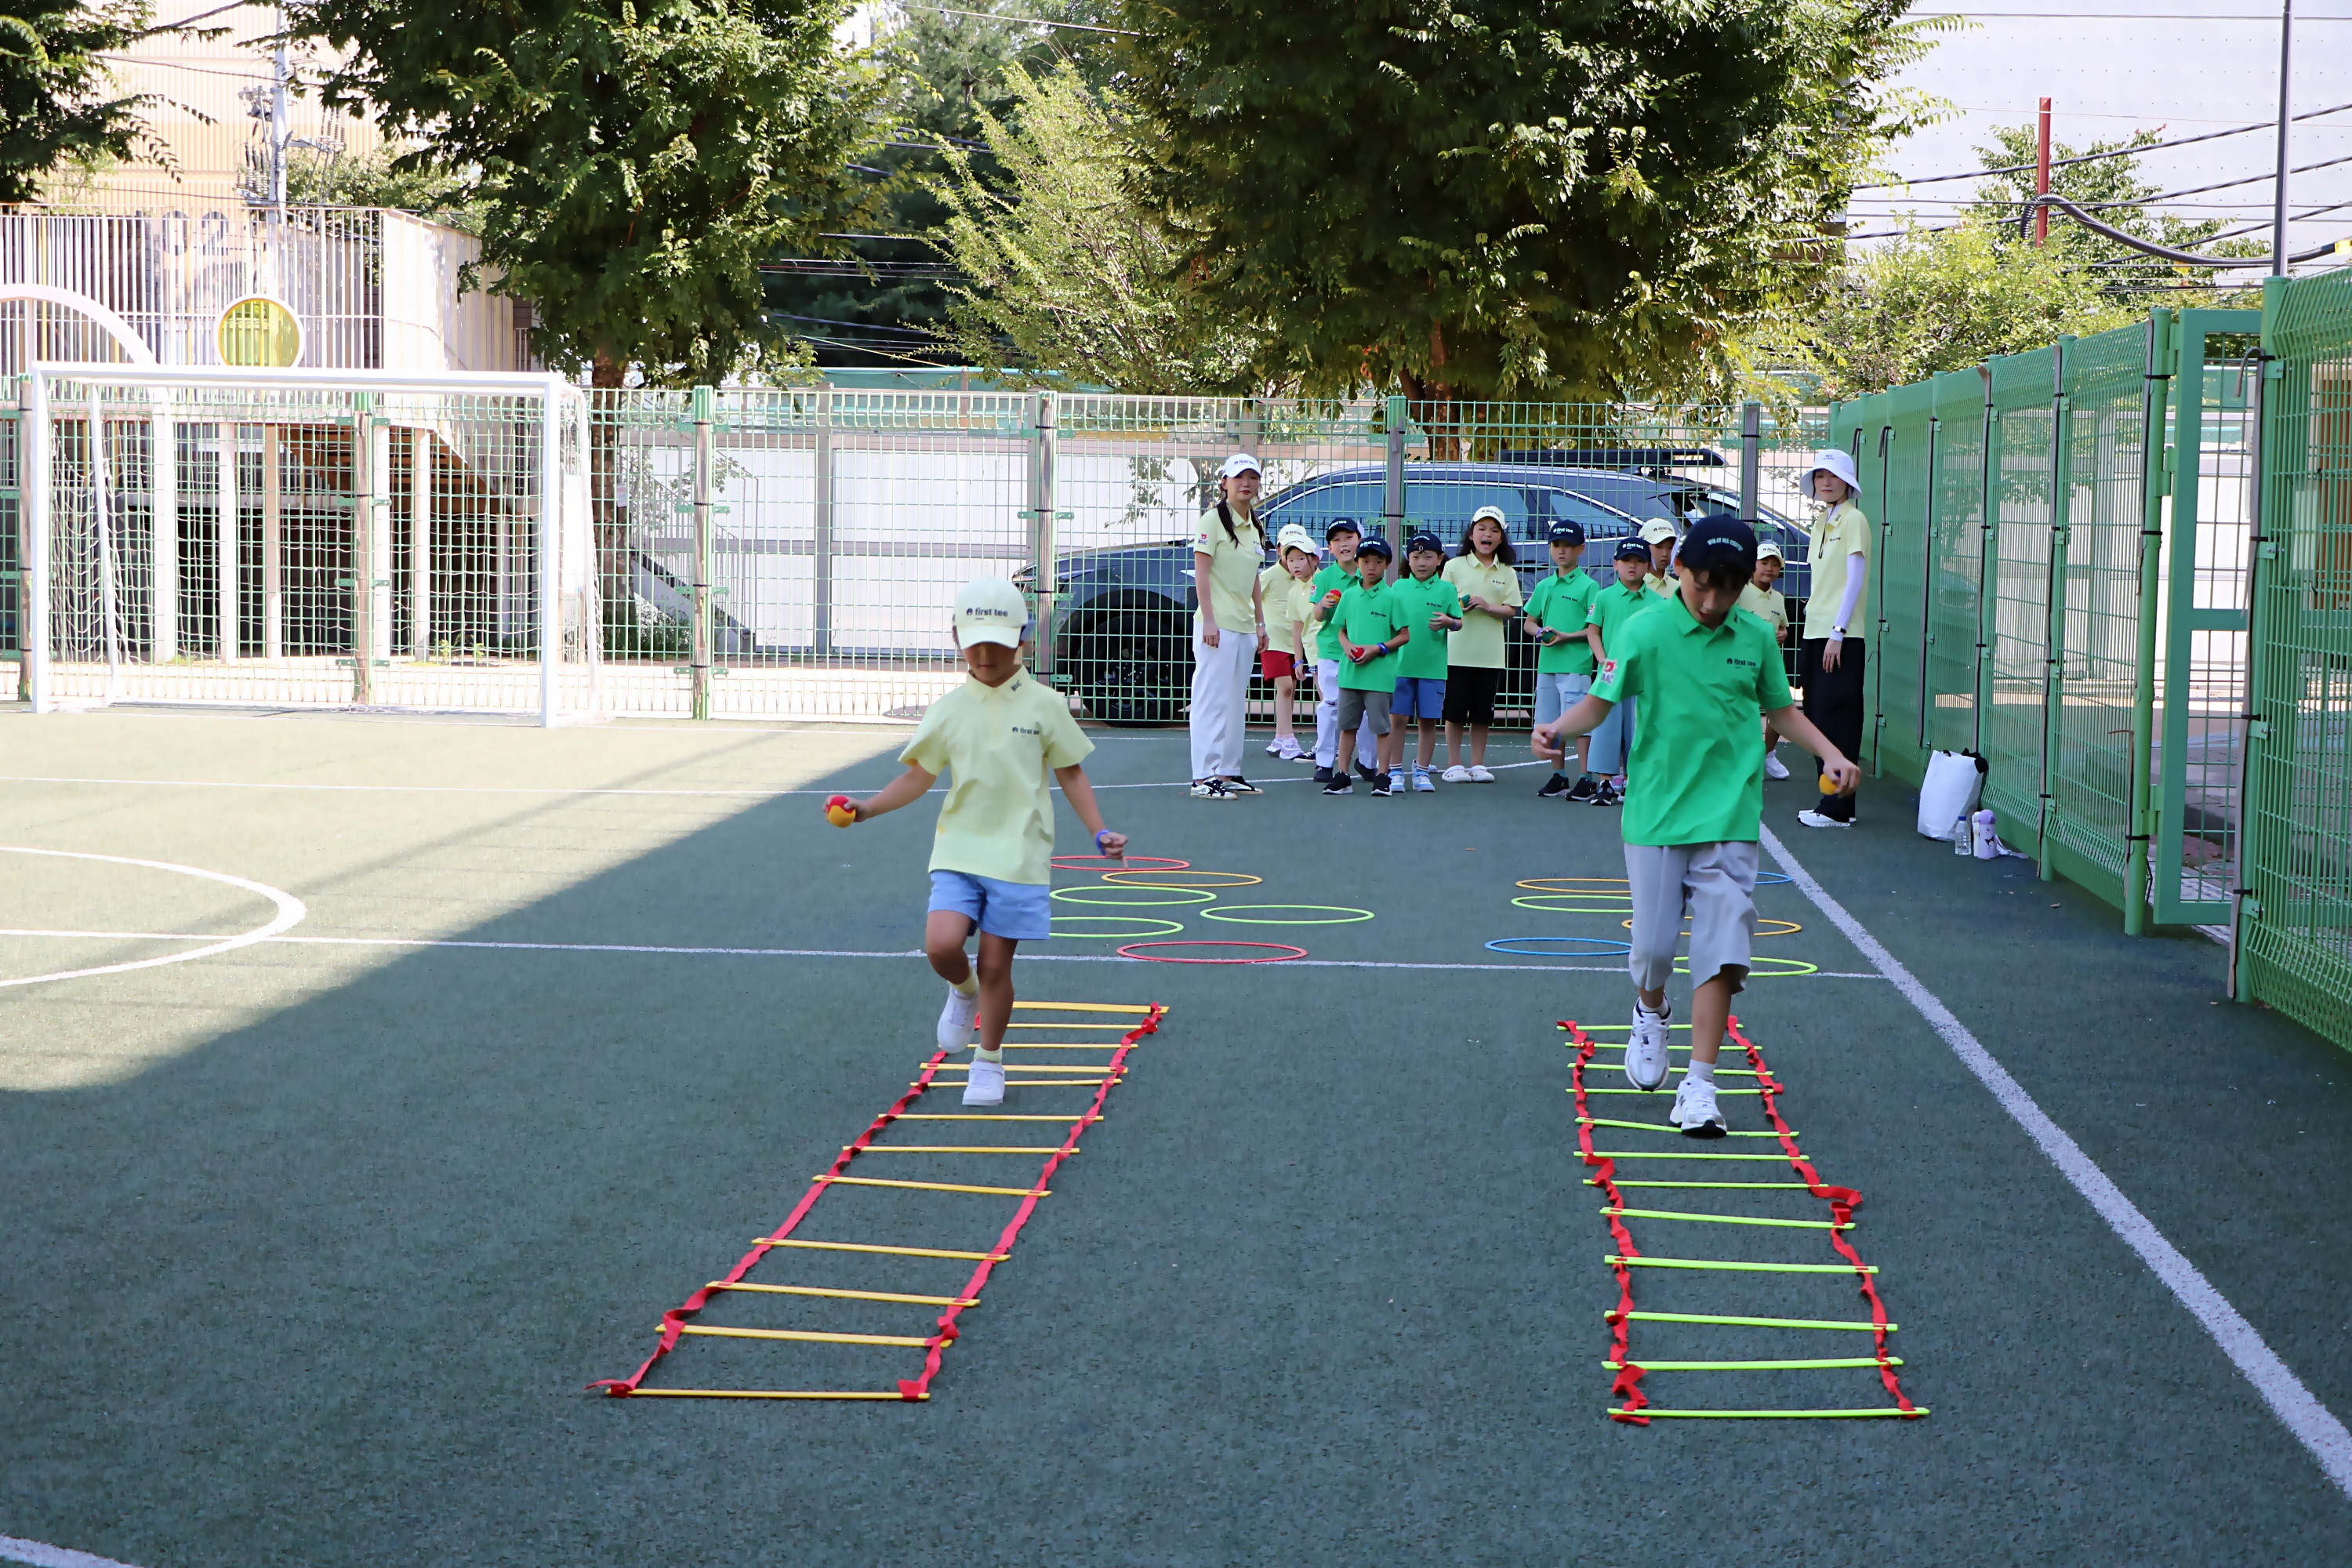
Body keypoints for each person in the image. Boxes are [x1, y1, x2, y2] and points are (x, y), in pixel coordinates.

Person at [1531, 517, 1859, 1136]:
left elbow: (1781, 709)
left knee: (1723, 944)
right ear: (1679, 569)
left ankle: (1700, 1085)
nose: (1712, 602)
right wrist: (1558, 729)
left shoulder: (1755, 636)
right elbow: (1600, 700)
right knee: (1654, 950)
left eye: (1727, 590)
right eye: (1703, 585)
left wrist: (1831, 753)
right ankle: (1650, 1008)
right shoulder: (1643, 629)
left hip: (1730, 812)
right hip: (1656, 811)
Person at [835, 579, 1128, 1106]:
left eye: (999, 643)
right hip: (959, 849)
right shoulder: (948, 709)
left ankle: (989, 1061)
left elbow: (1072, 773)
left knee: (996, 964)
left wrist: (1099, 830)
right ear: (956, 638)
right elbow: (919, 775)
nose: (986, 655)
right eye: (975, 644)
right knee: (941, 945)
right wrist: (868, 808)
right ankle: (963, 991)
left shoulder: (1046, 704)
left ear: (1023, 640)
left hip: (1020, 855)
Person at [1797, 449, 1871, 829]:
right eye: (1819, 476)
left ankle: (1838, 809)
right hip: (1816, 631)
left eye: (1833, 476)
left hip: (1839, 635)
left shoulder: (1854, 519)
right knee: (1817, 715)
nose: (1825, 482)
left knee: (1837, 716)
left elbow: (1854, 579)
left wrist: (1838, 632)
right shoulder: (1820, 522)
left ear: (1847, 482)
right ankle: (1834, 800)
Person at [1189, 452, 1268, 801]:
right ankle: (1203, 777)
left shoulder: (1255, 525)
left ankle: (1228, 771)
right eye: (1238, 477)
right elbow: (1201, 572)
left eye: (1252, 477)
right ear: (1224, 482)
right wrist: (1209, 619)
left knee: (1236, 702)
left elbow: (1254, 578)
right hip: (1217, 627)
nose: (1246, 484)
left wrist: (1260, 623)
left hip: (1245, 627)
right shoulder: (1212, 520)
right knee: (1211, 701)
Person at [1319, 534, 1410, 796]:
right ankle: (1342, 775)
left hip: (1380, 676)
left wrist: (1378, 648)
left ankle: (1382, 776)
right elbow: (1340, 630)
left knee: (1381, 728)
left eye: (1378, 561)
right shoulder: (1349, 596)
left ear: (1387, 565)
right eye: (1366, 561)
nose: (1372, 567)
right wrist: (1347, 645)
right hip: (1350, 674)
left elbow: (1404, 635)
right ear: (1358, 562)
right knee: (1347, 726)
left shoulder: (1392, 597)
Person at [1439, 504, 1523, 782]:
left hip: (1490, 655)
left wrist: (1487, 606)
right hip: (1457, 653)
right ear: (1471, 533)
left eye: (1494, 530)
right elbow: (1443, 605)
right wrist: (1459, 607)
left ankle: (1477, 765)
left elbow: (1511, 610)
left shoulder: (1507, 571)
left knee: (1482, 714)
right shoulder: (1454, 566)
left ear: (1501, 537)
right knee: (1454, 713)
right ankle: (1453, 765)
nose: (1487, 535)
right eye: (1482, 528)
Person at [1520, 521, 1604, 799]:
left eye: (1568, 546)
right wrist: (1540, 632)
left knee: (1580, 724)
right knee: (1550, 723)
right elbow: (1529, 622)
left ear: (1581, 549)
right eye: (1556, 545)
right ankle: (1559, 776)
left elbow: (1594, 628)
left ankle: (1586, 778)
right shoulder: (1545, 585)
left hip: (1576, 665)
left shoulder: (1589, 585)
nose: (1561, 551)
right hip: (1547, 665)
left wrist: (1566, 636)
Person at [1385, 529, 1462, 792]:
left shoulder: (1447, 589)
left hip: (1433, 668)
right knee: (1397, 719)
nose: (1421, 562)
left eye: (1428, 557)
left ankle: (1421, 771)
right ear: (1408, 559)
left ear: (1439, 559)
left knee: (1428, 721)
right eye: (1416, 557)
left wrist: (1449, 622)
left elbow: (1459, 622)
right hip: (1401, 666)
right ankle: (1395, 770)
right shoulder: (1398, 587)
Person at [1581, 538, 1657, 808]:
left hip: (1642, 676)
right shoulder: (1604, 597)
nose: (1632, 566)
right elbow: (1593, 632)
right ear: (1615, 564)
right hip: (1611, 675)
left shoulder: (1658, 602)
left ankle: (1633, 781)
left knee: (1639, 727)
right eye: (1626, 561)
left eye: (1639, 561)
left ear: (1648, 566)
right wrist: (1602, 659)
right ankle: (1605, 782)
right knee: (1606, 726)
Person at [1309, 518, 1381, 785]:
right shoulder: (1324, 577)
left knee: (1367, 709)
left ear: (1359, 541)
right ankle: (1325, 762)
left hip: (1364, 653)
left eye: (1349, 537)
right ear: (1329, 548)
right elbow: (1317, 616)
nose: (1343, 544)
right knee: (1330, 705)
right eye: (1336, 540)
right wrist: (1323, 604)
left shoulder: (1370, 574)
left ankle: (1367, 762)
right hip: (1332, 650)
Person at [1258, 525, 1319, 763]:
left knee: (1290, 689)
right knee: (1284, 687)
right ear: (1279, 550)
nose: (1294, 559)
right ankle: (1288, 739)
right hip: (1274, 641)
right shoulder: (1269, 576)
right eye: (1288, 550)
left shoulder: (1308, 577)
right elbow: (1250, 600)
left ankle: (1280, 738)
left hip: (1296, 643)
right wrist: (1258, 627)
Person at [1739, 541, 1792, 780]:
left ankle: (1768, 754)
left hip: (1770, 663)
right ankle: (1744, 759)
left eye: (1775, 564)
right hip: (1742, 662)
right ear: (1753, 565)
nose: (1769, 568)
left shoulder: (1778, 597)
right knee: (1745, 711)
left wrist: (1784, 634)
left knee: (1780, 709)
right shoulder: (1740, 592)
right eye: (1764, 563)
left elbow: (1783, 627)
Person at [1639, 517, 1680, 600]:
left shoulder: (1678, 589)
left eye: (1670, 547)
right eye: (1658, 547)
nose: (1665, 554)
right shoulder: (1633, 586)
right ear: (1644, 546)